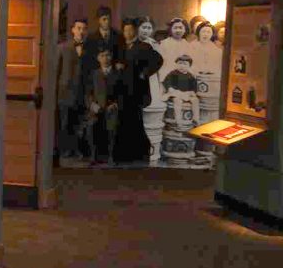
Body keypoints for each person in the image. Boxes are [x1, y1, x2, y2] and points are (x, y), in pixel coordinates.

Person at [114, 18, 163, 163]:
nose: (128, 33)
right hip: (122, 91)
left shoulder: (143, 46)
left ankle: (140, 154)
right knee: (123, 122)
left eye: (131, 30)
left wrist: (145, 72)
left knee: (136, 122)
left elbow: (158, 60)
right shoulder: (121, 48)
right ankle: (123, 155)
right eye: (125, 30)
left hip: (137, 91)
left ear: (134, 31)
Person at [57, 18, 89, 158]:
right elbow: (57, 71)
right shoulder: (63, 47)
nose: (81, 31)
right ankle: (64, 150)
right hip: (65, 91)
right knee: (65, 123)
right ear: (73, 30)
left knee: (78, 123)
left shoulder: (89, 48)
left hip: (82, 91)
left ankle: (76, 150)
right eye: (78, 28)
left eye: (83, 29)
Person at [85, 47, 122, 165]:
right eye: (102, 56)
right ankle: (93, 155)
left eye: (107, 55)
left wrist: (116, 104)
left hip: (112, 108)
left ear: (111, 57)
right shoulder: (94, 74)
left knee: (112, 127)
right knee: (91, 125)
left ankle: (111, 156)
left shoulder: (118, 74)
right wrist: (92, 104)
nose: (105, 58)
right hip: (97, 108)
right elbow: (88, 93)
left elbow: (123, 93)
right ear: (98, 58)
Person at [162, 54, 201, 125]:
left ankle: (196, 118)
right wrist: (170, 88)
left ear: (189, 66)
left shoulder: (190, 76)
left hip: (186, 93)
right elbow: (167, 82)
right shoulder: (173, 74)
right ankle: (178, 119)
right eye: (180, 63)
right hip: (176, 93)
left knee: (195, 100)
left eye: (185, 64)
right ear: (176, 64)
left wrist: (192, 92)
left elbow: (194, 87)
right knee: (177, 101)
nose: (182, 66)